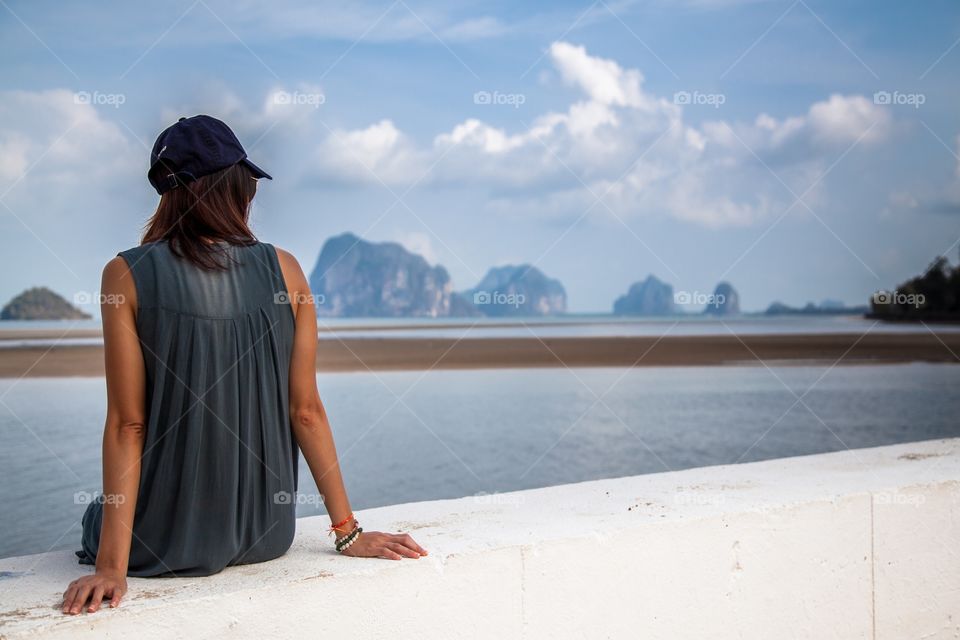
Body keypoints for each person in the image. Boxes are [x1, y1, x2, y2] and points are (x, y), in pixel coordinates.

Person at [61, 115, 427, 615]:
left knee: (94, 513)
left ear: (167, 194)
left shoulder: (124, 273)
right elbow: (307, 412)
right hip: (266, 533)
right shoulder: (287, 269)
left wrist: (109, 569)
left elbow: (128, 424)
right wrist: (348, 533)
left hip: (161, 544)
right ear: (237, 187)